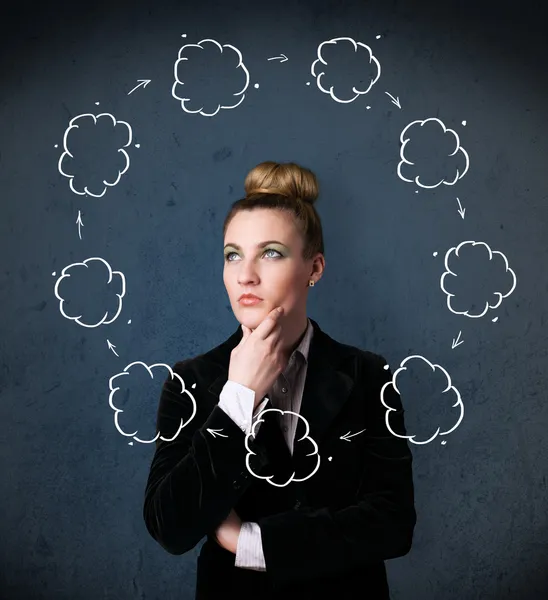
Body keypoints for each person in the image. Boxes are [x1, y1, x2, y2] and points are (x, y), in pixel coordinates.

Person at [143, 161, 416, 599]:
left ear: (315, 267)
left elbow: (393, 523)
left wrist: (249, 542)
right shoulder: (190, 381)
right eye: (233, 254)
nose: (246, 274)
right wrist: (237, 398)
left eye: (270, 252)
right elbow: (170, 526)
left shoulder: (367, 375)